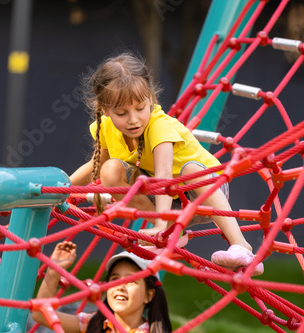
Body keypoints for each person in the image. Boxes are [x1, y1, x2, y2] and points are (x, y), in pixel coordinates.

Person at [69, 52, 263, 275]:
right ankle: (172, 232)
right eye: (121, 113)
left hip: (203, 190)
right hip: (164, 199)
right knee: (110, 170)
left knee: (190, 169)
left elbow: (163, 175)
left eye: (140, 108)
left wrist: (161, 224)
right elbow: (97, 163)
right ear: (105, 110)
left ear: (150, 98)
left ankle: (241, 246)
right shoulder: (105, 127)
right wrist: (65, 187)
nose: (133, 119)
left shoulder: (159, 127)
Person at [32, 241, 172, 333]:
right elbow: (41, 314)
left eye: (131, 280)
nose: (120, 286)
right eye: (115, 279)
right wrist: (54, 270)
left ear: (149, 295)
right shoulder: (94, 324)